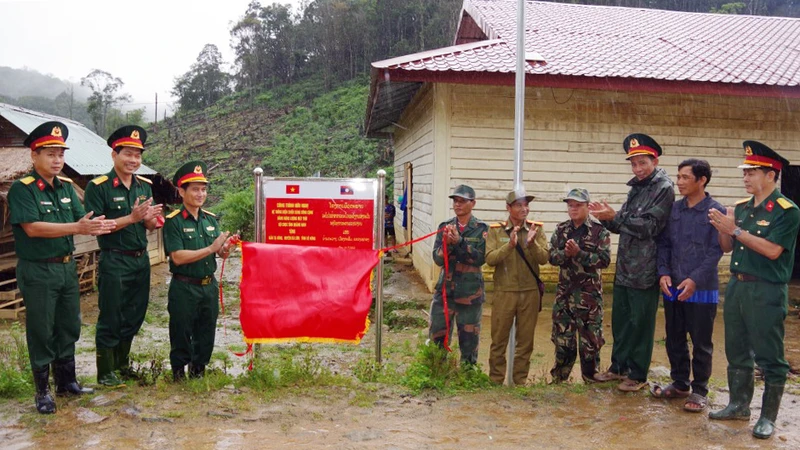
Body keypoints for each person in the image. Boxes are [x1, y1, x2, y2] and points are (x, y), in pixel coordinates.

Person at [9, 121, 116, 413]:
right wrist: (77, 226)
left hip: (66, 268)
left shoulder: (67, 188)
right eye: (50, 154)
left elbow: (84, 220)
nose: (57, 160)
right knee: (42, 329)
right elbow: (32, 228)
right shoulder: (23, 189)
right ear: (34, 156)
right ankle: (42, 392)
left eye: (60, 154)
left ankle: (66, 382)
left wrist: (98, 225)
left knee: (68, 325)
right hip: (38, 269)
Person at [708, 141, 799, 439]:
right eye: (744, 172)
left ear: (772, 175)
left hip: (767, 290)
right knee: (736, 349)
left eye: (752, 172)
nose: (745, 177)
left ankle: (768, 417)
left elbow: (773, 250)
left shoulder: (786, 210)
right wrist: (725, 227)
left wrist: (735, 230)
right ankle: (738, 405)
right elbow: (727, 248)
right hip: (738, 286)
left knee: (770, 355)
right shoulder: (743, 208)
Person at [589, 133, 674, 391]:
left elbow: (649, 227)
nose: (637, 169)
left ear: (654, 160)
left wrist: (617, 217)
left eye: (642, 163)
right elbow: (622, 225)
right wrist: (606, 217)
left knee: (641, 322)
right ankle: (618, 367)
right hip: (625, 266)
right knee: (621, 320)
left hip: (646, 269)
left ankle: (637, 374)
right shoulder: (637, 188)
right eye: (634, 164)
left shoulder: (663, 188)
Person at [84, 125, 162, 386]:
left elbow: (149, 225)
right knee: (111, 315)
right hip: (115, 259)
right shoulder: (99, 187)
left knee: (134, 314)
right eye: (128, 153)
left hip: (141, 260)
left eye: (138, 155)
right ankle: (105, 371)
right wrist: (131, 217)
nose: (133, 160)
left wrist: (150, 219)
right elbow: (97, 226)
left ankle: (122, 365)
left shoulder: (145, 187)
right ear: (114, 154)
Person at [653, 159, 724, 412]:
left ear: (701, 180)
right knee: (674, 338)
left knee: (701, 341)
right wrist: (663, 272)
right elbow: (664, 244)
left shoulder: (715, 211)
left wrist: (694, 279)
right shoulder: (674, 210)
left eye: (685, 177)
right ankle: (680, 382)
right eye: (678, 177)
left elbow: (716, 252)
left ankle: (700, 390)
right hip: (673, 286)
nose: (679, 182)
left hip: (702, 289)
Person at [163, 161, 234, 381]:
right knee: (181, 330)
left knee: (206, 330)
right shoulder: (173, 222)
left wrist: (224, 249)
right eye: (195, 189)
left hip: (208, 285)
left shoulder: (210, 219)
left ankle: (198, 370)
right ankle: (178, 373)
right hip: (184, 285)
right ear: (181, 191)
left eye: (203, 189)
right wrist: (211, 248)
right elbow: (177, 256)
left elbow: (219, 253)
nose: (200, 194)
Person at [548, 188, 611, 384]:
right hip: (564, 296)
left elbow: (604, 260)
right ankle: (559, 380)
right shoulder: (561, 230)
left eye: (578, 205)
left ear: (587, 207)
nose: (573, 209)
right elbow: (551, 257)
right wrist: (565, 254)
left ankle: (591, 380)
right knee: (563, 341)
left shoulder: (599, 232)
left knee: (590, 343)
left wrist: (579, 254)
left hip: (589, 298)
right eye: (570, 205)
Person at [484, 189, 547, 385]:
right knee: (498, 340)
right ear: (508, 208)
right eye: (519, 205)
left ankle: (519, 381)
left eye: (526, 204)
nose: (524, 208)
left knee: (525, 341)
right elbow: (490, 259)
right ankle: (495, 381)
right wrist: (509, 246)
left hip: (529, 292)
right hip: (505, 292)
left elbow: (544, 259)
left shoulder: (536, 229)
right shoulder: (496, 230)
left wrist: (532, 244)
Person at [429, 184, 488, 364]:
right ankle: (437, 372)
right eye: (455, 201)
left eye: (462, 201)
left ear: (473, 203)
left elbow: (480, 258)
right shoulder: (445, 227)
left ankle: (468, 375)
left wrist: (460, 242)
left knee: (469, 340)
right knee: (437, 335)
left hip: (470, 294)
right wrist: (447, 244)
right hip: (446, 292)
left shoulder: (482, 229)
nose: (457, 205)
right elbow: (437, 259)